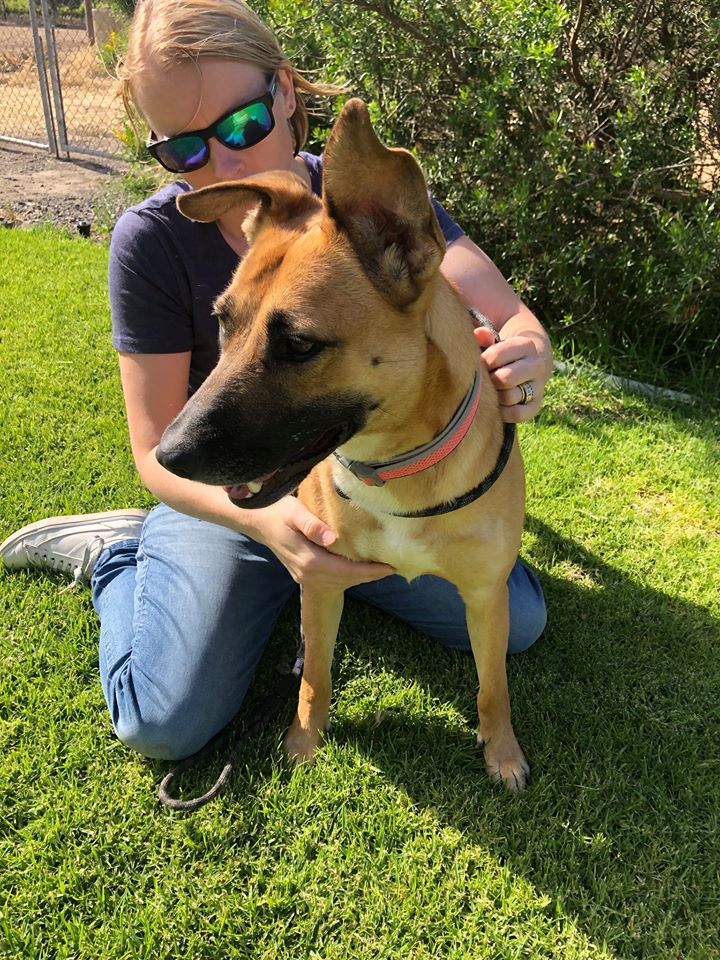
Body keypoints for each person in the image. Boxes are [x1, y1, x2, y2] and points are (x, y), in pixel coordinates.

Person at [0, 0, 553, 762]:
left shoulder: (372, 221)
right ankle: (122, 557)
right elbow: (163, 453)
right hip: (226, 493)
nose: (225, 167)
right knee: (162, 721)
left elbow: (505, 313)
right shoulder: (151, 241)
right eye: (183, 149)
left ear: (285, 92)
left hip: (348, 481)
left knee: (521, 622)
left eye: (241, 125)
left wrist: (529, 346)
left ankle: (340, 574)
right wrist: (269, 526)